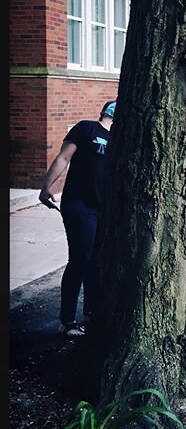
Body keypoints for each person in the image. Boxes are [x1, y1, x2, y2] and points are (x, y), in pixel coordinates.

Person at [38, 100, 116, 337]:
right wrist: (46, 186)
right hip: (79, 204)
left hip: (104, 208)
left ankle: (91, 312)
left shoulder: (122, 140)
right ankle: (67, 321)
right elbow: (63, 158)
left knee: (95, 262)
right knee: (80, 259)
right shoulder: (86, 128)